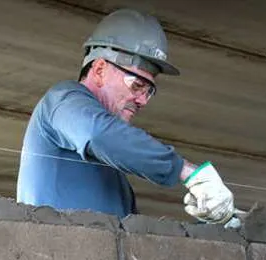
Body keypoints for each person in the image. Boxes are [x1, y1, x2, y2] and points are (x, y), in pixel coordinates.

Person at [16, 8, 235, 225]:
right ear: (100, 69)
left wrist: (213, 224)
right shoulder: (62, 100)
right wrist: (186, 171)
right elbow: (99, 134)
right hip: (54, 255)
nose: (142, 100)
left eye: (149, 91)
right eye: (137, 85)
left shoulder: (111, 171)